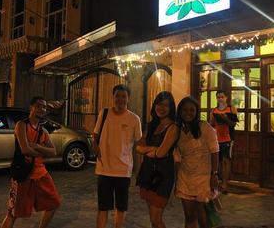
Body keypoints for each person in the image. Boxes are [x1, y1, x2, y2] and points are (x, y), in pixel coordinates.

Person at [1, 96, 61, 228]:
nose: (42, 109)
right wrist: (42, 151)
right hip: (24, 175)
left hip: (41, 174)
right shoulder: (21, 125)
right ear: (31, 107)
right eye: (39, 106)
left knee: (54, 203)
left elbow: (54, 152)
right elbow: (25, 149)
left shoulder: (43, 131)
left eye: (44, 107)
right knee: (13, 213)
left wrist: (38, 147)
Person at [92, 84, 142, 228]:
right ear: (113, 97)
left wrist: (137, 170)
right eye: (117, 96)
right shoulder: (104, 113)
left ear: (128, 98)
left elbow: (138, 144)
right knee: (103, 206)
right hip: (104, 168)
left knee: (121, 206)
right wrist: (95, 144)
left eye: (123, 96)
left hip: (123, 170)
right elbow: (95, 133)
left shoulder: (134, 119)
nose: (120, 99)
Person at [174, 96, 219, 228]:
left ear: (196, 111)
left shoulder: (204, 127)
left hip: (203, 178)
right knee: (189, 216)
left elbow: (215, 151)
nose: (188, 113)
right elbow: (176, 155)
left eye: (191, 110)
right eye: (185, 110)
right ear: (180, 112)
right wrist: (176, 178)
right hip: (185, 177)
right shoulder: (178, 131)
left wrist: (214, 174)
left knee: (204, 219)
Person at [136, 91, 179, 228]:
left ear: (171, 108)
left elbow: (161, 153)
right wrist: (152, 150)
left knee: (156, 218)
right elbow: (138, 147)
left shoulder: (173, 127)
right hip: (148, 171)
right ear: (155, 105)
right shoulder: (152, 125)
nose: (162, 108)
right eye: (159, 104)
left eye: (166, 105)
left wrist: (149, 150)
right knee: (152, 217)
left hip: (162, 176)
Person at [208, 90, 238, 193]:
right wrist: (212, 121)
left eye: (222, 97)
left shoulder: (231, 109)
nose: (220, 99)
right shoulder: (214, 110)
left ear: (226, 98)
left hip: (228, 138)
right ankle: (220, 181)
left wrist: (225, 119)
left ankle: (225, 183)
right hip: (216, 138)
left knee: (226, 160)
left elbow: (234, 124)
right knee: (219, 161)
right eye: (218, 97)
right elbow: (210, 124)